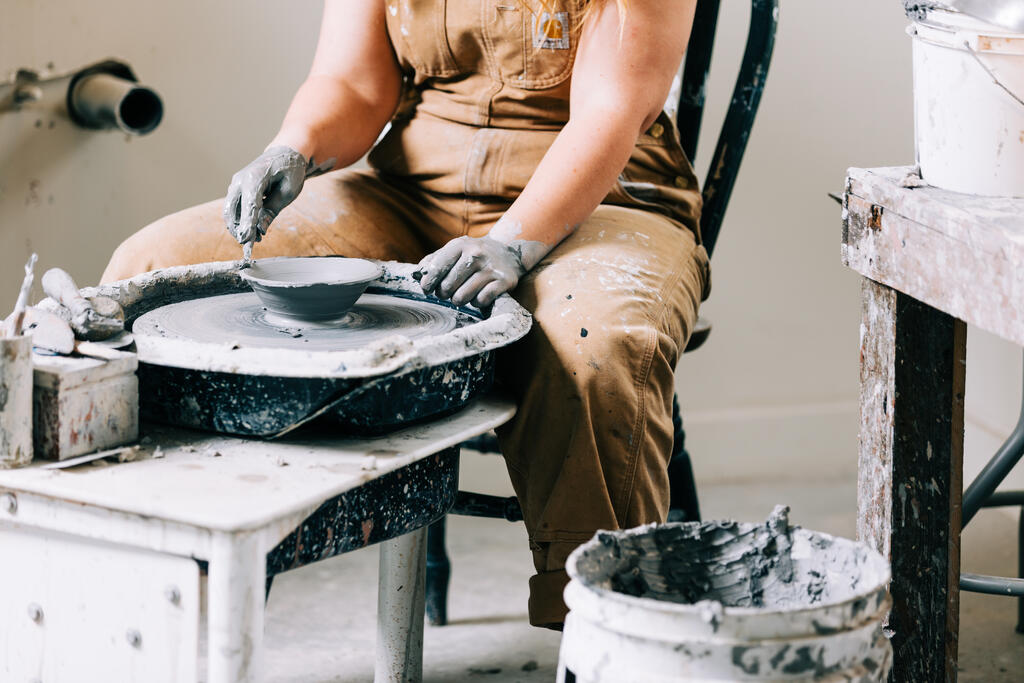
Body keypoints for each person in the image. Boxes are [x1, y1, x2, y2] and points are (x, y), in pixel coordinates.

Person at [103, 0, 708, 628]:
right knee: (153, 271)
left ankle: (600, 623)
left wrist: (515, 242)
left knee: (592, 343)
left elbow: (612, 108)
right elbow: (354, 84)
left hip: (602, 197)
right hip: (411, 190)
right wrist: (295, 147)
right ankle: (173, 575)